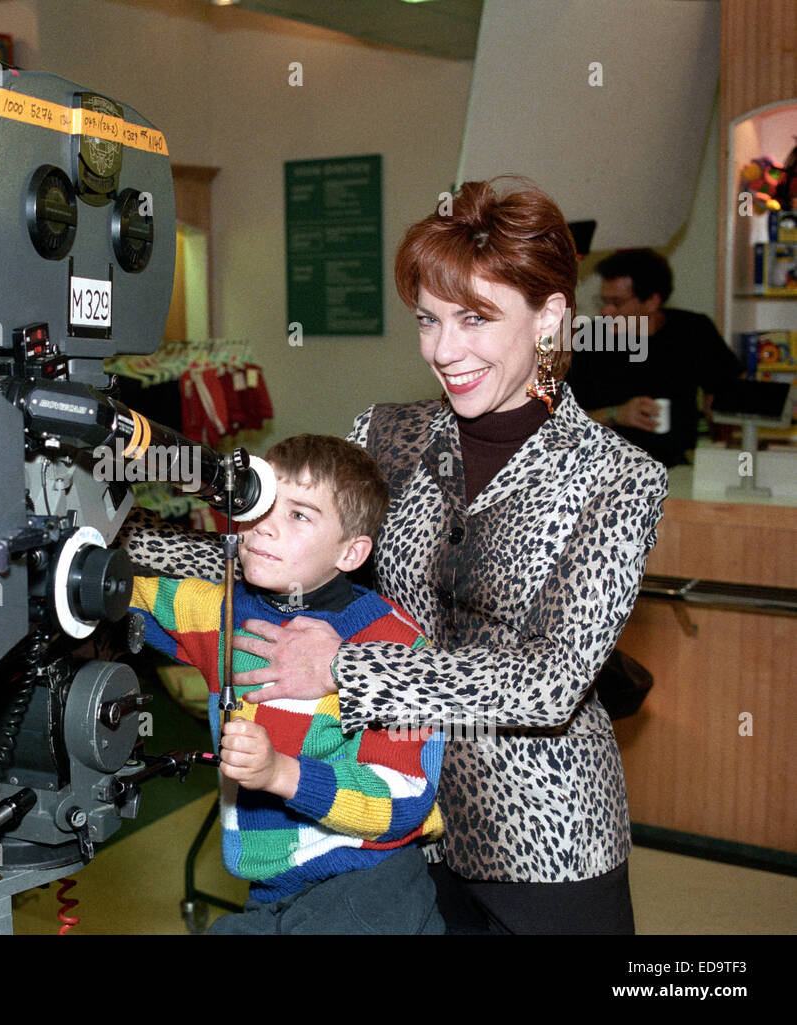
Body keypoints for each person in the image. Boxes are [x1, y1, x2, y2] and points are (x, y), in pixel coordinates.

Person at [121, 177, 668, 934]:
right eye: (429, 320)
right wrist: (115, 544)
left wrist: (343, 668)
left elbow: (548, 680)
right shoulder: (387, 433)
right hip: (389, 832)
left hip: (545, 841)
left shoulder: (620, 476)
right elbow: (288, 550)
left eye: (474, 319)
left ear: (549, 318)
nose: (445, 350)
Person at [129, 434, 444, 934]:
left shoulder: (392, 645)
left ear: (351, 552)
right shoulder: (218, 612)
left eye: (298, 515)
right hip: (270, 892)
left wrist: (282, 774)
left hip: (368, 888)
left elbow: (406, 794)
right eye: (263, 502)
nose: (264, 528)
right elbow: (114, 582)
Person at [567, 248, 742, 466]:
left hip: (675, 466)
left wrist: (722, 436)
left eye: (616, 303)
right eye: (602, 301)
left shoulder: (692, 330)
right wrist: (616, 414)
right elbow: (561, 421)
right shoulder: (588, 339)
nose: (606, 311)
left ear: (651, 301)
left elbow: (722, 389)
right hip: (603, 467)